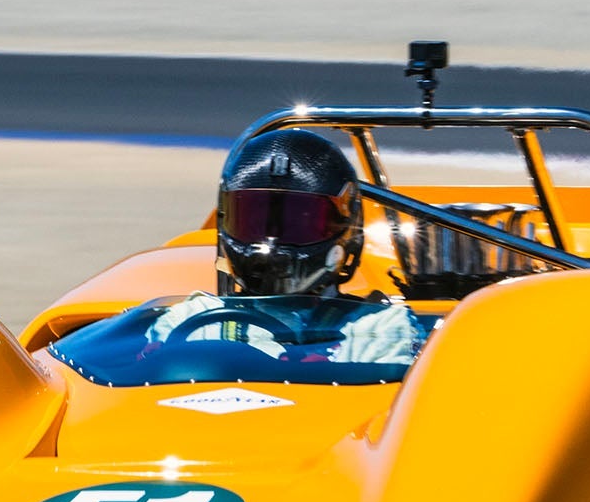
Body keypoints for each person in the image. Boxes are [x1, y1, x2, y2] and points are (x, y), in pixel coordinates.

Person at [146, 129, 420, 365]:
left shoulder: (381, 328)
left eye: (298, 222)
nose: (273, 244)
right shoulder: (189, 320)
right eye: (255, 221)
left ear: (344, 231)